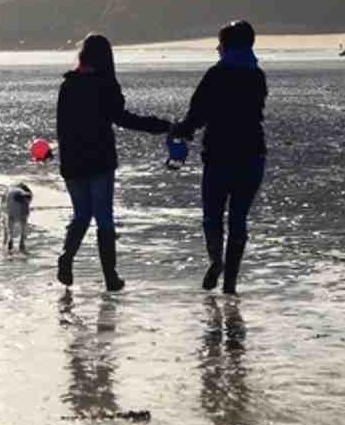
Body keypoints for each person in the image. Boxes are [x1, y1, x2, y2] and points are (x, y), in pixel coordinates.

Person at [54, 33, 173, 291]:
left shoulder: (68, 84)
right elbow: (123, 118)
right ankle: (110, 277)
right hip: (99, 160)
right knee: (104, 218)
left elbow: (61, 128)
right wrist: (161, 126)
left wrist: (64, 159)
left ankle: (66, 259)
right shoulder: (105, 83)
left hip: (73, 161)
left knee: (82, 215)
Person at [171, 19, 267, 295]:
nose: (217, 47)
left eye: (220, 43)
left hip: (219, 156)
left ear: (227, 46)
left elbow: (197, 114)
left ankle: (216, 261)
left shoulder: (216, 74)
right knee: (238, 220)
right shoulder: (257, 75)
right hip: (252, 156)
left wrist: (180, 132)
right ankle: (230, 285)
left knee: (212, 217)